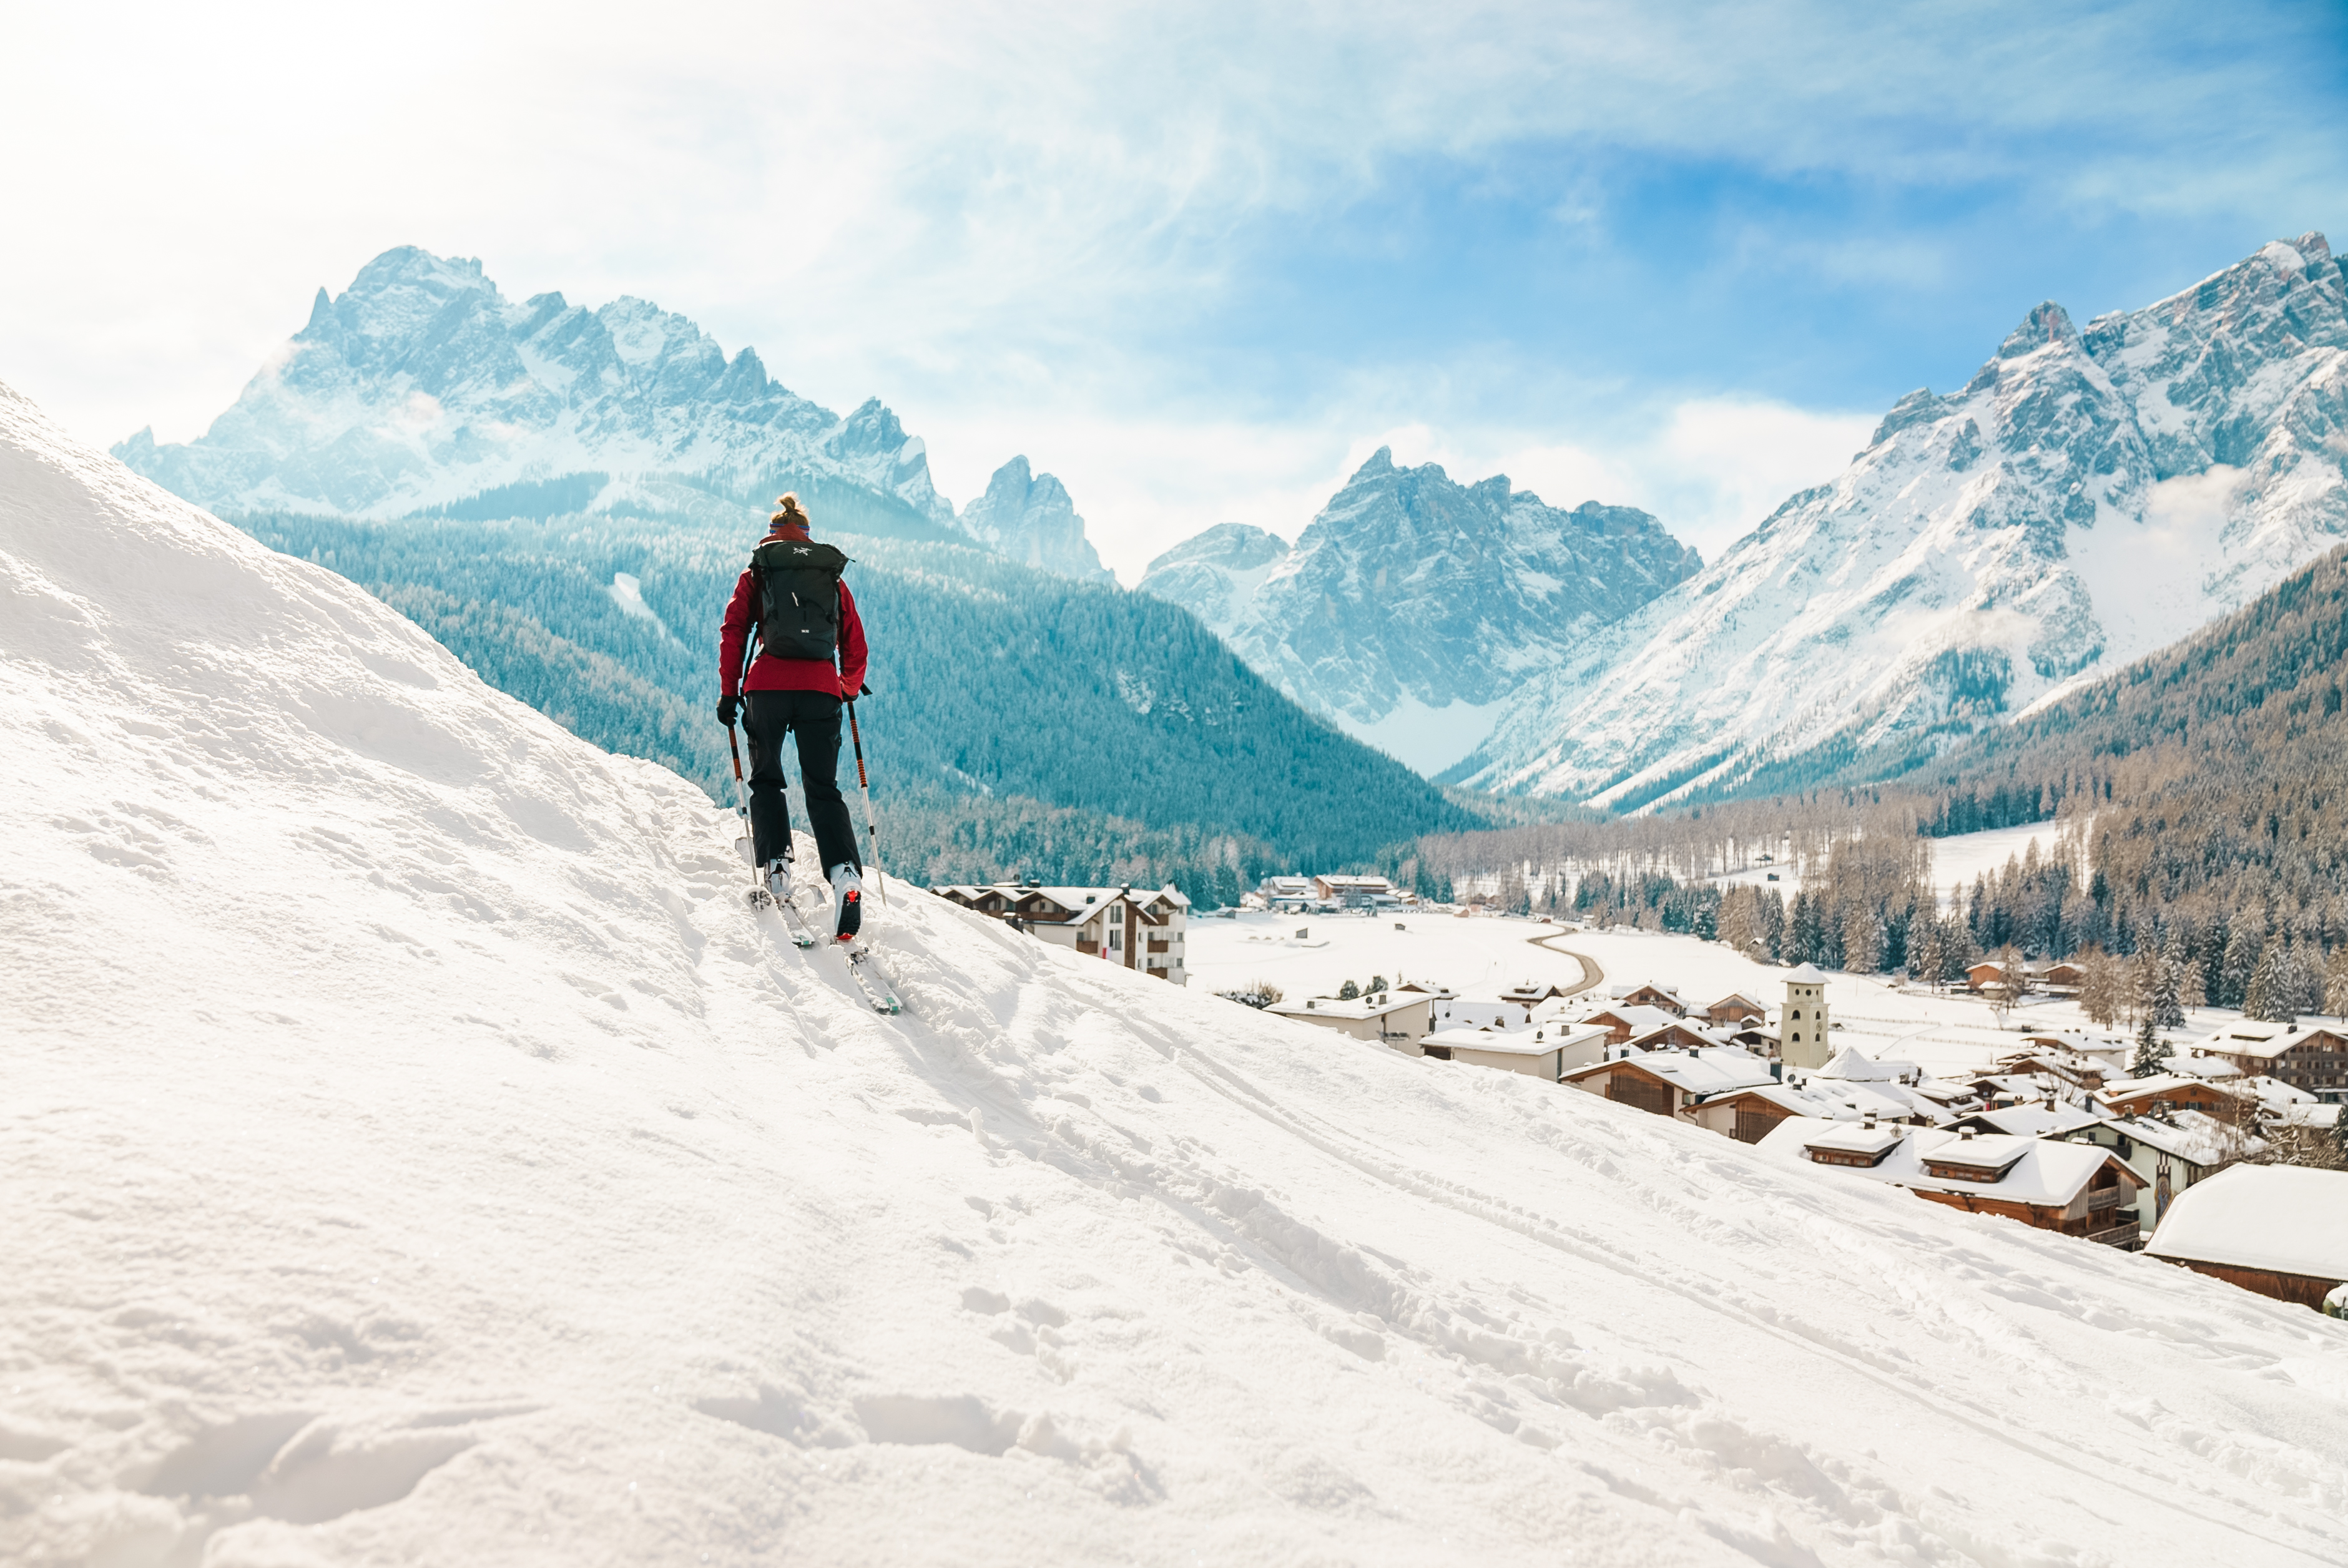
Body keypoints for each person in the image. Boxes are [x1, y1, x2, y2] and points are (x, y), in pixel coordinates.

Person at [717, 494, 869, 941]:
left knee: (766, 778)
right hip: (821, 690)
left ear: (771, 533)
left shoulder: (758, 573)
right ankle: (844, 876)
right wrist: (845, 686)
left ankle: (778, 865)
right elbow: (854, 643)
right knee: (823, 788)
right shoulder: (831, 578)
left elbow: (734, 632)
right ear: (806, 534)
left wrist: (729, 694)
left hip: (767, 688)